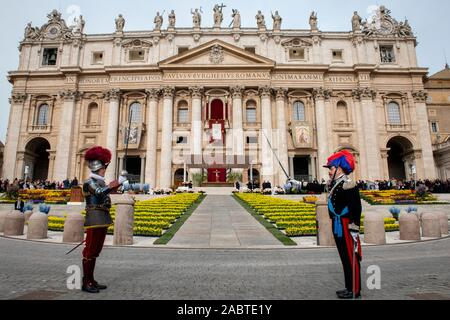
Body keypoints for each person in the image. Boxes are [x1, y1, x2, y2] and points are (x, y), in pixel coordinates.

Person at [81, 146, 128, 293]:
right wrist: (116, 182)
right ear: (97, 169)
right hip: (94, 218)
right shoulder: (89, 182)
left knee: (96, 249)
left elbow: (105, 192)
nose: (104, 170)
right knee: (90, 250)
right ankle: (86, 281)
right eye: (103, 168)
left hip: (102, 217)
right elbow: (100, 193)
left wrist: (119, 185)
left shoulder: (100, 181)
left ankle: (91, 279)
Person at [323, 150, 362, 299]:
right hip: (338, 225)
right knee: (344, 257)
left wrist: (354, 228)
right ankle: (348, 287)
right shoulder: (337, 184)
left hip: (346, 226)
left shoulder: (348, 184)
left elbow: (356, 208)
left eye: (331, 168)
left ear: (339, 168)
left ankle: (355, 290)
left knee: (351, 257)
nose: (329, 171)